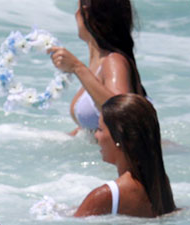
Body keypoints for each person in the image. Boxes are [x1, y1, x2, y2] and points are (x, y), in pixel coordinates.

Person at [48, 0, 146, 135]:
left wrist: (77, 68)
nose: (76, 14)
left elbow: (121, 116)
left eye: (78, 9)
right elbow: (92, 130)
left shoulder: (113, 61)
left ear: (86, 13)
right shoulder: (100, 63)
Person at [74, 94, 176, 218]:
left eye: (100, 129)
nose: (96, 135)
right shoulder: (160, 186)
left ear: (119, 139)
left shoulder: (105, 196)